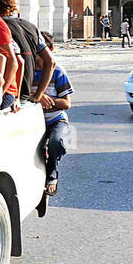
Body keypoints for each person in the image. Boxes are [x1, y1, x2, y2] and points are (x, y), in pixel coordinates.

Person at [0, 0, 54, 104]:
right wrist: (38, 95)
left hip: (10, 95)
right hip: (25, 95)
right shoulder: (31, 27)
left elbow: (17, 62)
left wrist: (2, 94)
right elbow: (50, 61)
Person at [32, 34, 73, 195]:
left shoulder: (58, 72)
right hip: (34, 120)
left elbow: (66, 104)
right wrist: (36, 98)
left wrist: (50, 101)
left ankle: (52, 173)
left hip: (56, 120)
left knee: (56, 143)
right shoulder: (27, 70)